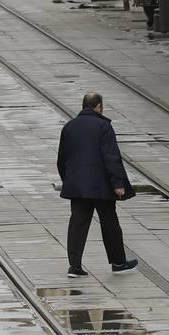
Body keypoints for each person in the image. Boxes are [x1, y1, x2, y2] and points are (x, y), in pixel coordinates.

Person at [57, 91, 137, 276]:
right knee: (109, 222)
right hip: (101, 186)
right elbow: (111, 157)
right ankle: (118, 262)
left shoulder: (69, 127)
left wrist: (69, 180)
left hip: (78, 187)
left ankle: (74, 267)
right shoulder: (103, 126)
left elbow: (62, 159)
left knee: (77, 224)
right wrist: (118, 184)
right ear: (98, 106)